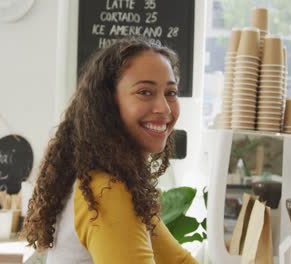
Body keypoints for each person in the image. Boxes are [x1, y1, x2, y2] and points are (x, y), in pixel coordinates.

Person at [22, 37, 198, 264]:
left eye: (171, 93)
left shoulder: (119, 181)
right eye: (145, 92)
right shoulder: (107, 190)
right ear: (108, 104)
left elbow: (178, 261)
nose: (164, 108)